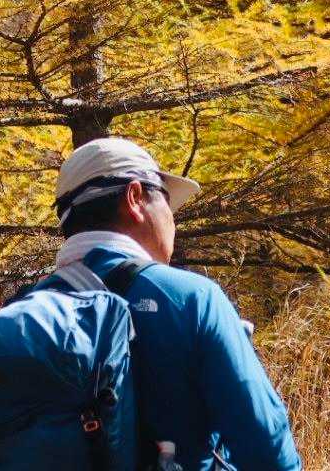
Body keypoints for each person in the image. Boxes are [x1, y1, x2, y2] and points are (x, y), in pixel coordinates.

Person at [52, 137, 303, 471]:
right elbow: (267, 449)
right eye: (166, 202)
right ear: (135, 197)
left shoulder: (21, 312)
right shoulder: (190, 298)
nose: (172, 220)